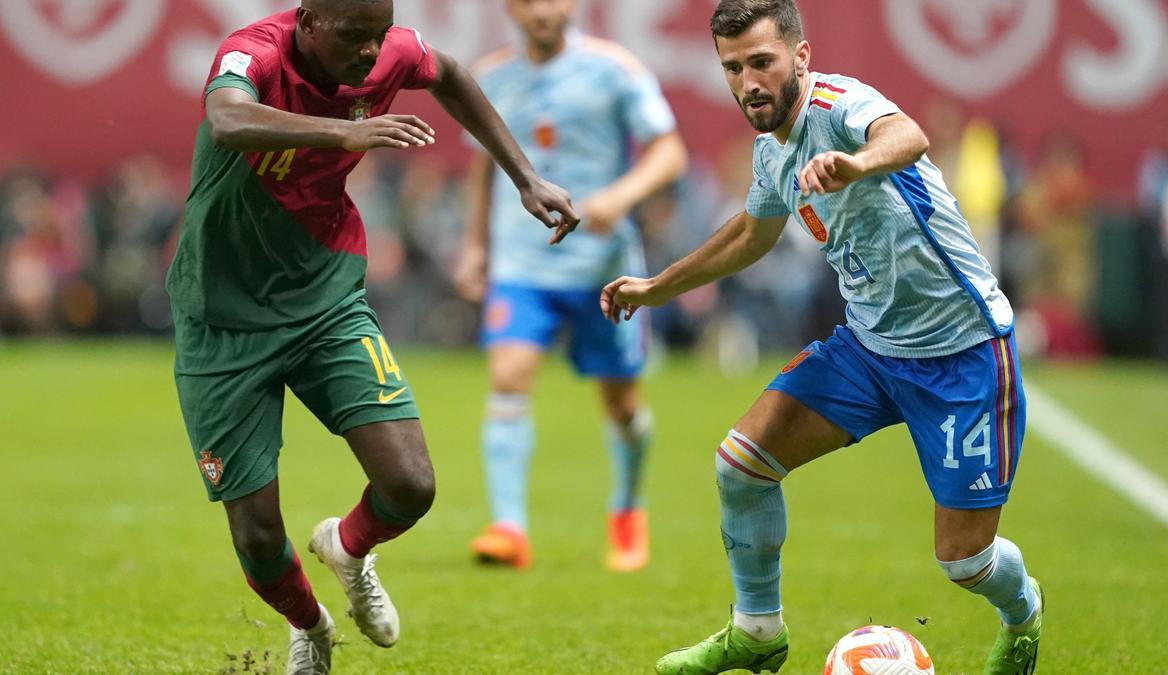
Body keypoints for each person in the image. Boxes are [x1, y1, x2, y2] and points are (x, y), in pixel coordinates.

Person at [600, 1, 1042, 673]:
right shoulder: (772, 153)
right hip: (868, 351)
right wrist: (658, 286)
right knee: (741, 464)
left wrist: (857, 165)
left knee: (965, 560)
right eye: (732, 68)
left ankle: (1023, 614)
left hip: (963, 352)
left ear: (800, 57)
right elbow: (751, 236)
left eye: (761, 62)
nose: (748, 82)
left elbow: (908, 136)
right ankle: (756, 632)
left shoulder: (839, 106)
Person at [165, 1, 578, 672]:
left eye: (380, 34)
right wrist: (344, 133)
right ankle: (311, 626)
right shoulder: (255, 53)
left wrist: (525, 177)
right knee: (259, 535)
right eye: (356, 35)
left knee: (411, 484)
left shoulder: (392, 52)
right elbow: (228, 119)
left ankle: (348, 547)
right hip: (222, 319)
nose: (371, 50)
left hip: (323, 300)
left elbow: (451, 75)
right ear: (309, 23)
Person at [453, 0, 687, 571]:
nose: (541, 10)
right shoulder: (488, 78)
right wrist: (475, 245)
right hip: (521, 265)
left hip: (602, 269)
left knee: (621, 403)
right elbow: (482, 168)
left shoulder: (616, 69)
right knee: (508, 377)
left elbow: (670, 153)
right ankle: (509, 527)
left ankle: (627, 510)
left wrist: (621, 196)